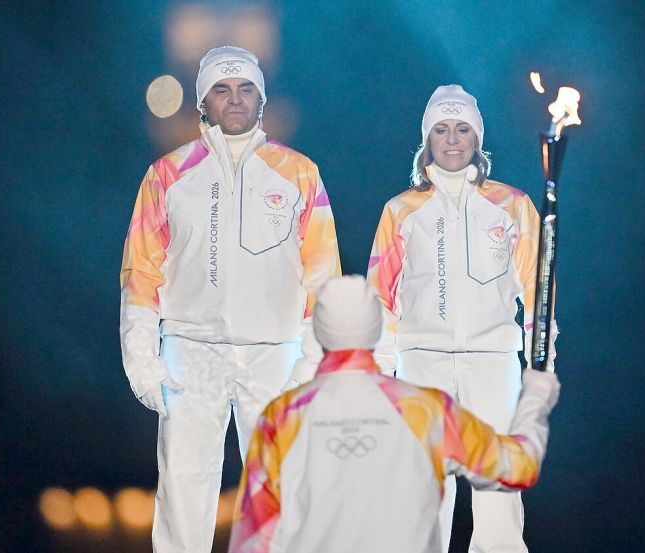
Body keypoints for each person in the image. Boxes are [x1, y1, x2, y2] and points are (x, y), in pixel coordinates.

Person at [119, 45, 340, 552]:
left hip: (275, 352)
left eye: (246, 89)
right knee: (183, 492)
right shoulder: (167, 175)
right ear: (203, 103)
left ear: (262, 99)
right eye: (221, 89)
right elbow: (141, 270)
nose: (235, 99)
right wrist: (142, 361)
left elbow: (323, 275)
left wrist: (310, 363)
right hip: (190, 351)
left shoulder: (299, 173)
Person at [228, 275, 561, 553]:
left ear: (318, 331)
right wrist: (536, 396)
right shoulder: (426, 411)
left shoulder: (282, 417)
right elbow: (518, 467)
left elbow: (254, 539)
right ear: (377, 330)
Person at [366, 84, 559, 552]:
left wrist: (541, 361)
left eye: (462, 129)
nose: (452, 139)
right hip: (421, 366)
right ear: (427, 139)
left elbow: (539, 292)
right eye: (441, 129)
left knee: (498, 492)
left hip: (493, 364)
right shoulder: (400, 211)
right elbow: (380, 300)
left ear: (477, 139)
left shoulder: (513, 206)